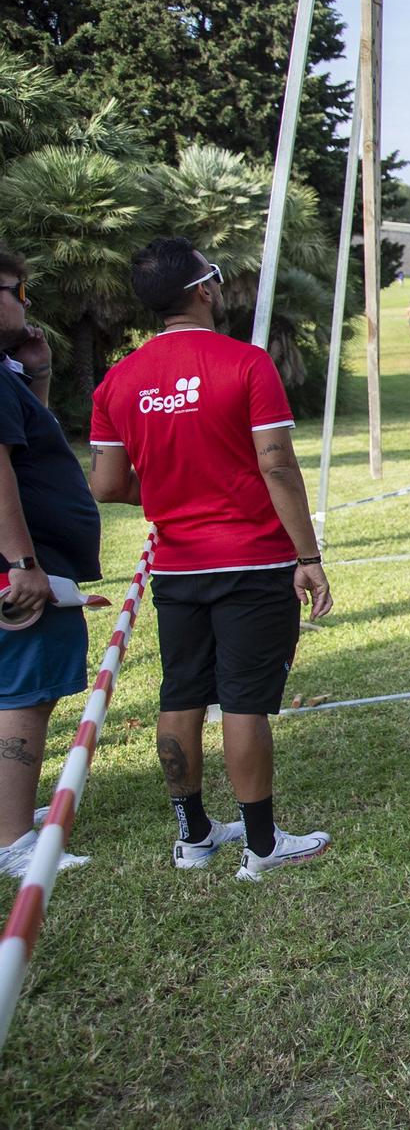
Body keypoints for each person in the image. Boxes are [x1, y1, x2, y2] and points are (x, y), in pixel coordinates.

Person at [88, 237, 333, 881]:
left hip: (177, 568)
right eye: (215, 278)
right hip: (251, 562)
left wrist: (174, 490)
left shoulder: (118, 381)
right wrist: (308, 555)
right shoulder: (246, 364)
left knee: (183, 693)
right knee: (246, 702)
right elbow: (277, 464)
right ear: (203, 289)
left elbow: (109, 484)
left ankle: (193, 836)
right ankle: (261, 846)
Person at [0, 247, 101, 880]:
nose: (26, 302)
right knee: (24, 694)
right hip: (20, 569)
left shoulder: (5, 371)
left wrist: (37, 372)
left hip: (29, 560)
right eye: (17, 289)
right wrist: (21, 562)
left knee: (22, 690)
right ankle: (12, 842)